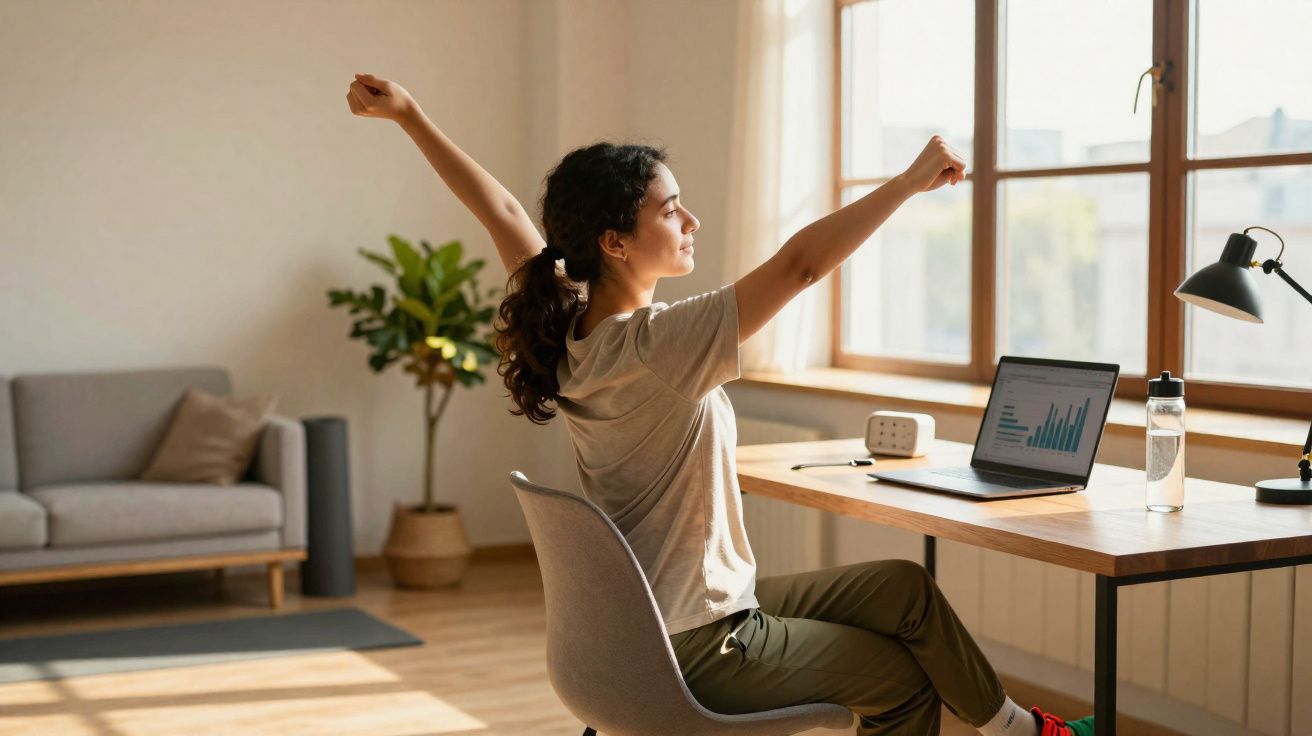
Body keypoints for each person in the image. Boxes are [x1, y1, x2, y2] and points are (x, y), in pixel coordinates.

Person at [346, 71, 1094, 736]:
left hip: (653, 623)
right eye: (671, 211)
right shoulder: (658, 344)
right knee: (898, 681)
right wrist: (905, 183)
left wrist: (412, 115)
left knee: (903, 589)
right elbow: (800, 267)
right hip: (705, 642)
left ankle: (1018, 729)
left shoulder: (569, 325)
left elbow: (504, 209)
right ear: (613, 241)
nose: (691, 222)